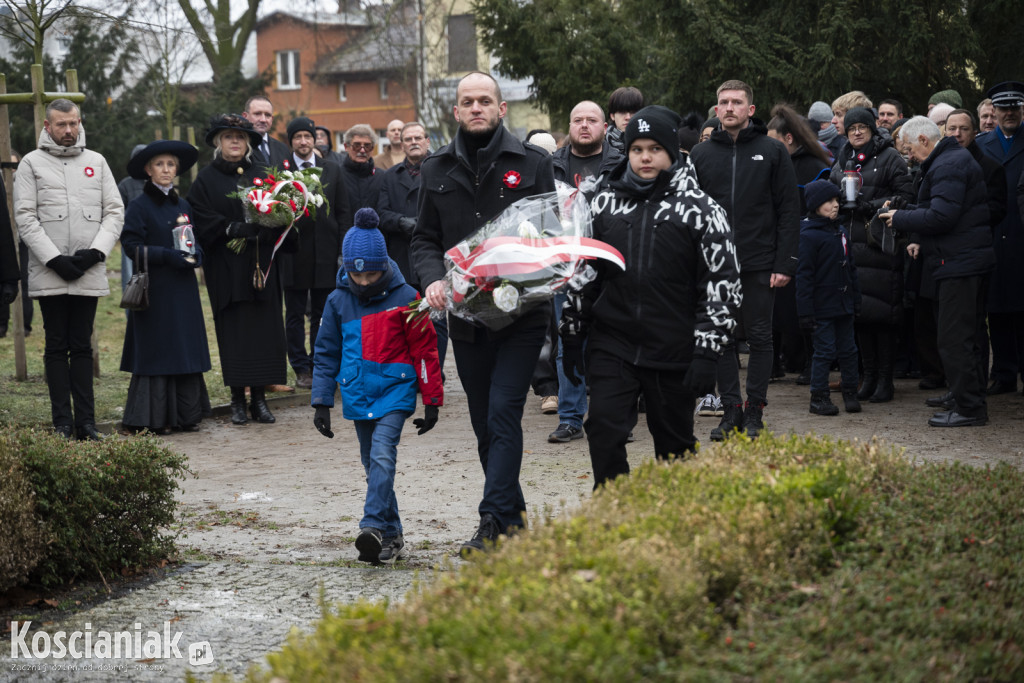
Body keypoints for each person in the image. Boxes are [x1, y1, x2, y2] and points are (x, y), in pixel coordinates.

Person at [410, 71, 556, 556]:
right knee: (482, 422)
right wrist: (432, 277)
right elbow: (424, 238)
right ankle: (513, 518)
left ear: (500, 109)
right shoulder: (434, 169)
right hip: (467, 320)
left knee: (502, 415)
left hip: (520, 317)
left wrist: (525, 270)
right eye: (467, 102)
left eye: (484, 101)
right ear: (456, 111)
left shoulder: (532, 162)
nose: (476, 108)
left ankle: (491, 520)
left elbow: (550, 237)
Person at [559, 105, 740, 487]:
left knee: (674, 447)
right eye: (637, 148)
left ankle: (673, 528)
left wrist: (708, 351)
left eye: (654, 148)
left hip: (673, 346)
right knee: (604, 431)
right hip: (614, 342)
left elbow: (721, 285)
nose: (645, 156)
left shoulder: (703, 211)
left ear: (672, 153)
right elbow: (586, 271)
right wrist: (572, 330)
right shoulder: (604, 203)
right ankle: (615, 513)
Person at [311, 208, 443, 565]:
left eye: (371, 273)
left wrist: (431, 400)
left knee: (383, 455)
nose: (365, 281)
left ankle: (371, 526)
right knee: (374, 467)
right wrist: (321, 401)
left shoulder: (406, 298)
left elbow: (425, 350)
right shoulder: (338, 301)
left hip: (395, 392)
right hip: (356, 391)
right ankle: (393, 535)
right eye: (357, 274)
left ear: (384, 264)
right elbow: (326, 352)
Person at [689, 80, 801, 440]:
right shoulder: (701, 155)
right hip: (716, 264)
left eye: (737, 102)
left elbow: (788, 210)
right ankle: (730, 410)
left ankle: (755, 410)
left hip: (759, 262)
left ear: (750, 110)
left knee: (759, 337)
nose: (730, 107)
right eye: (724, 102)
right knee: (721, 338)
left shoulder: (772, 150)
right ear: (716, 109)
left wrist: (785, 263)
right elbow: (691, 213)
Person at [14, 98, 124, 440]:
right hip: (51, 270)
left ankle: (86, 423)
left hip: (88, 268)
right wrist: (54, 259)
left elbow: (115, 212)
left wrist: (95, 253)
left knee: (82, 345)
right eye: (61, 124)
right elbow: (26, 217)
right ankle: (62, 422)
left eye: (73, 123)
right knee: (55, 345)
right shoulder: (31, 163)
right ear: (47, 126)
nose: (69, 130)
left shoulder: (97, 161)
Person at [881, 116, 994, 426]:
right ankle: (963, 395)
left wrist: (901, 218)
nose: (909, 157)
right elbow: (938, 209)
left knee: (954, 338)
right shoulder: (949, 161)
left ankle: (969, 408)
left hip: (961, 263)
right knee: (962, 336)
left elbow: (942, 217)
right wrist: (906, 212)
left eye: (909, 150)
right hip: (962, 260)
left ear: (923, 141)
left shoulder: (948, 165)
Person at [187, 113, 297, 426]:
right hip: (226, 268)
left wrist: (271, 227)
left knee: (264, 331)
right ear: (218, 142)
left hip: (261, 266)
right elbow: (200, 217)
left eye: (240, 136)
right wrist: (232, 228)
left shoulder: (264, 173)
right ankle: (237, 400)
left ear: (247, 141)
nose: (234, 141)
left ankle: (260, 400)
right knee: (234, 333)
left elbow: (285, 211)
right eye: (228, 136)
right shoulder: (206, 179)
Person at [118, 140, 212, 434]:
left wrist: (198, 254)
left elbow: (194, 240)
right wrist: (168, 256)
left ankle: (186, 414)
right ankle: (155, 418)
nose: (166, 170)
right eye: (160, 164)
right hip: (155, 290)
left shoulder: (183, 205)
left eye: (171, 164)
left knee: (182, 347)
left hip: (183, 289)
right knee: (159, 350)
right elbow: (131, 246)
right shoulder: (138, 206)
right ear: (148, 170)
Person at [546, 100, 623, 443]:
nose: (585, 125)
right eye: (578, 120)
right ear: (569, 126)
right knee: (568, 342)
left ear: (605, 127)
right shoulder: (549, 166)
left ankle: (612, 417)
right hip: (566, 267)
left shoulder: (620, 164)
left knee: (613, 341)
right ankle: (570, 417)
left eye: (592, 120)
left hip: (610, 265)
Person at [828, 107, 914, 404]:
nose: (857, 132)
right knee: (861, 315)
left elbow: (906, 196)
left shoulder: (890, 157)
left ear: (872, 127)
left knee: (884, 316)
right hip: (851, 247)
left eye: (862, 126)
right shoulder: (843, 158)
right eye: (852, 128)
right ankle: (868, 378)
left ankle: (885, 380)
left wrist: (870, 205)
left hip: (880, 246)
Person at [278, 116, 352, 389]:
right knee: (295, 313)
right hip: (293, 255)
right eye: (297, 137)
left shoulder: (332, 169)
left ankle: (321, 363)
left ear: (315, 139)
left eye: (307, 136)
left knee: (323, 314)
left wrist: (342, 249)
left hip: (326, 254)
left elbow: (344, 212)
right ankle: (300, 366)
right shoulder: (282, 172)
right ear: (291, 142)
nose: (303, 141)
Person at [766, 103, 833, 385]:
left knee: (804, 306)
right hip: (777, 242)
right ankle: (778, 362)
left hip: (806, 243)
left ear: (788, 138)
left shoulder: (814, 167)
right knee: (777, 307)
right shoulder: (775, 164)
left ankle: (810, 362)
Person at [376, 121, 448, 373]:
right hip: (402, 255)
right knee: (406, 316)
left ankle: (435, 370)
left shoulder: (442, 170)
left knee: (436, 317)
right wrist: (403, 223)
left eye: (418, 137)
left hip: (433, 255)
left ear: (428, 141)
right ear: (401, 144)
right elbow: (381, 214)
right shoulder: (389, 176)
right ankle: (411, 371)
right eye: (408, 139)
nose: (413, 142)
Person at [796, 180, 861, 415]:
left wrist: (856, 300)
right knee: (824, 351)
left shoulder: (841, 232)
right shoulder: (808, 236)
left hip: (843, 305)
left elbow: (851, 268)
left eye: (836, 200)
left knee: (849, 349)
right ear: (815, 206)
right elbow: (804, 277)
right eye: (828, 202)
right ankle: (819, 396)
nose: (835, 205)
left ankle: (850, 391)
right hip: (821, 307)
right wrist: (805, 312)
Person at [976, 81, 1024, 396]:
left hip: (1021, 235)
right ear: (993, 110)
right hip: (992, 233)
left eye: (1014, 107)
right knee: (997, 307)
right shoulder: (981, 144)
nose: (1008, 113)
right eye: (1002, 108)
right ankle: (1004, 373)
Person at [116, 144, 147, 293]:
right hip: (131, 238)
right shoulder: (125, 184)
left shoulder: (157, 182)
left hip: (153, 237)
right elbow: (117, 211)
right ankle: (131, 311)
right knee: (130, 277)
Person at [339, 124, 382, 213]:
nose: (362, 150)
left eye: (367, 146)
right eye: (357, 145)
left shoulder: (382, 177)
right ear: (346, 147)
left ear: (372, 149)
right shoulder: (337, 175)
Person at [243, 95, 290, 167]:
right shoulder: (238, 147)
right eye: (257, 114)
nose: (263, 120)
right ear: (245, 116)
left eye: (267, 115)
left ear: (272, 119)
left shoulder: (283, 149)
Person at [605, 86, 644, 154]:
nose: (628, 117)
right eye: (622, 112)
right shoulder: (600, 147)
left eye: (633, 112)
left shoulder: (650, 142)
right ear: (612, 116)